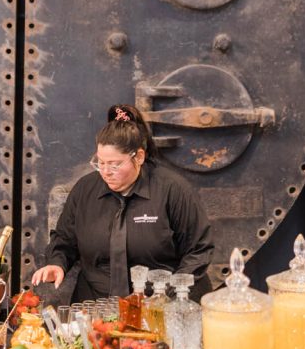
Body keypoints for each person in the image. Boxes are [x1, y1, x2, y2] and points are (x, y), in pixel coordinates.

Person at [32, 103, 213, 302]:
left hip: (158, 306)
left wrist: (167, 297)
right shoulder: (85, 190)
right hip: (95, 305)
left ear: (139, 157)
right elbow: (64, 240)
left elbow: (198, 250)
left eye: (115, 164)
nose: (106, 172)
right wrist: (56, 263)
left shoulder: (172, 190)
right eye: (100, 162)